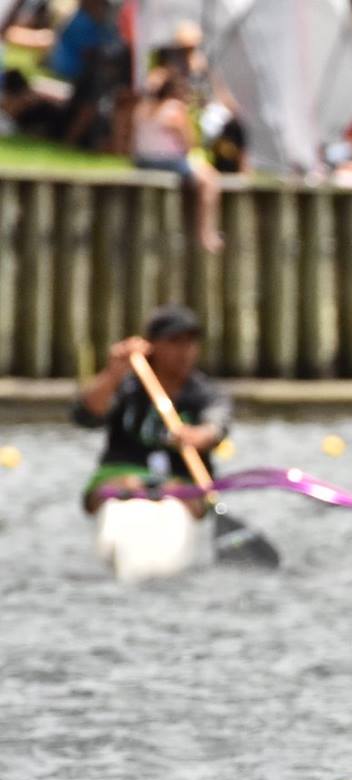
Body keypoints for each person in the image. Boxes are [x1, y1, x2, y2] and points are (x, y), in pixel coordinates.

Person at [74, 305, 229, 514]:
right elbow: (86, 416)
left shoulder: (206, 393)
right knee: (125, 486)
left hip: (180, 478)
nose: (185, 351)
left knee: (176, 494)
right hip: (123, 471)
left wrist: (198, 436)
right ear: (152, 345)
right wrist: (112, 374)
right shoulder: (127, 385)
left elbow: (216, 426)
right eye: (175, 341)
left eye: (190, 342)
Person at [132, 68, 223, 253]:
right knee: (210, 179)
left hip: (141, 161)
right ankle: (206, 232)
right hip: (167, 162)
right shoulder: (174, 109)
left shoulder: (141, 108)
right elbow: (190, 143)